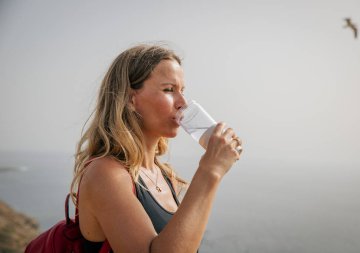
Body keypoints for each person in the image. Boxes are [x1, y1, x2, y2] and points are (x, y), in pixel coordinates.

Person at [70, 44, 243, 253]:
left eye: (182, 91)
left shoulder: (167, 178)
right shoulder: (105, 174)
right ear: (130, 100)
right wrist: (211, 170)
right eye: (169, 90)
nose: (182, 103)